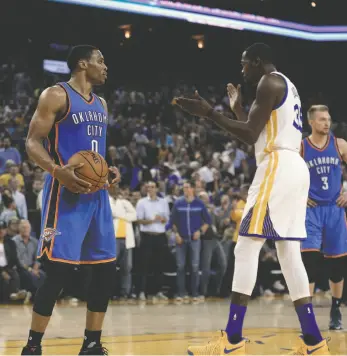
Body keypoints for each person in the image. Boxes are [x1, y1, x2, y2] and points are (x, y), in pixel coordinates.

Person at [174, 43, 329, 355]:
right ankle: (314, 341)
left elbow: (248, 134)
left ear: (258, 62)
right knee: (289, 254)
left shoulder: (268, 82)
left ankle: (231, 340)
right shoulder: (286, 85)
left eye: (244, 64)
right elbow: (258, 132)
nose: (242, 70)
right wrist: (237, 111)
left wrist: (208, 113)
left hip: (277, 167)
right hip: (294, 169)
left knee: (246, 247)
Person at [22, 45, 120, 356]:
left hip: (98, 197)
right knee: (59, 273)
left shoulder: (102, 103)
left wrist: (108, 169)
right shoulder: (56, 95)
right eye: (100, 60)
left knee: (105, 271)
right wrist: (56, 171)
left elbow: (95, 152)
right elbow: (32, 142)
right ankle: (32, 347)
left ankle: (91, 344)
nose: (105, 66)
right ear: (82, 63)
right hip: (64, 195)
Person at [301, 105, 347, 330]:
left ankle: (335, 309)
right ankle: (308, 318)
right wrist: (299, 196)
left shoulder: (340, 145)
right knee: (309, 264)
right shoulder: (300, 147)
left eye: (328, 119)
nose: (326, 123)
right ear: (311, 122)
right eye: (321, 120)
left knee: (337, 267)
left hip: (335, 211)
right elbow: (284, 174)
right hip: (310, 212)